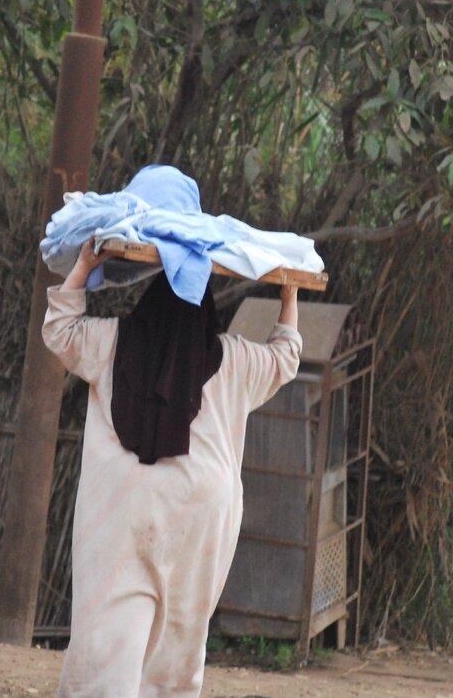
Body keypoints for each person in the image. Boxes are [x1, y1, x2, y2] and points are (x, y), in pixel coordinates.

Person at [43, 239, 302, 697]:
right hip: (204, 513)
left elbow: (60, 329)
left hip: (126, 506)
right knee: (182, 627)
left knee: (110, 622)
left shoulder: (112, 340)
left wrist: (84, 264)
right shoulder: (236, 358)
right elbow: (285, 356)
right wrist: (289, 294)